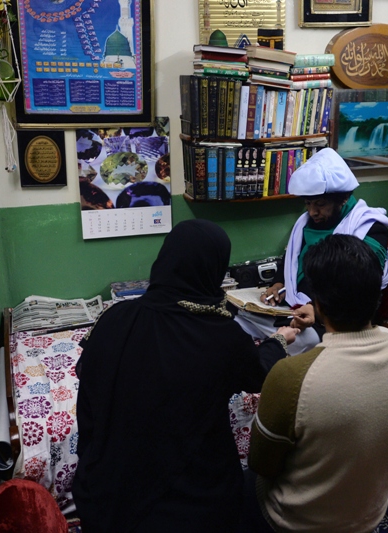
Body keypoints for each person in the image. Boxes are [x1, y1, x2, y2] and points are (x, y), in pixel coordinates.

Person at [73, 219, 298, 533]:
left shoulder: (114, 317)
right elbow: (258, 375)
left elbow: (88, 388)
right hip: (189, 505)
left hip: (104, 494)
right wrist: (278, 340)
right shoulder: (221, 336)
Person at [245, 234, 388, 533]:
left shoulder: (291, 375)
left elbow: (261, 463)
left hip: (294, 522)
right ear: (378, 294)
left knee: (236, 483)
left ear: (317, 300)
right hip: (368, 517)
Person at [234, 147, 388, 355]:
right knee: (238, 318)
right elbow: (291, 259)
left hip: (337, 321)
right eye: (308, 204)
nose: (312, 212)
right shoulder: (304, 224)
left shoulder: (370, 227)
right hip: (295, 309)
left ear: (342, 198)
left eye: (320, 204)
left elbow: (359, 284)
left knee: (302, 339)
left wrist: (317, 310)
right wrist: (279, 284)